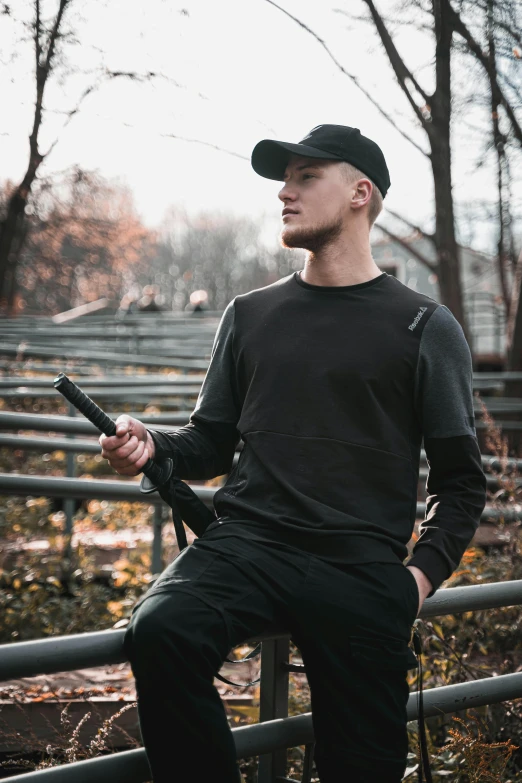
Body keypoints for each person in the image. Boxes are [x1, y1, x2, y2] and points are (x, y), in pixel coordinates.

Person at [99, 124, 487, 783]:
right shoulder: (249, 314)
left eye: (307, 176)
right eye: (285, 178)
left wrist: (415, 580)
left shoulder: (424, 325)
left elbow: (461, 480)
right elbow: (210, 443)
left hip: (360, 567)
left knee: (362, 767)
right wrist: (150, 443)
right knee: (160, 630)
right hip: (247, 545)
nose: (284, 191)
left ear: (360, 192)